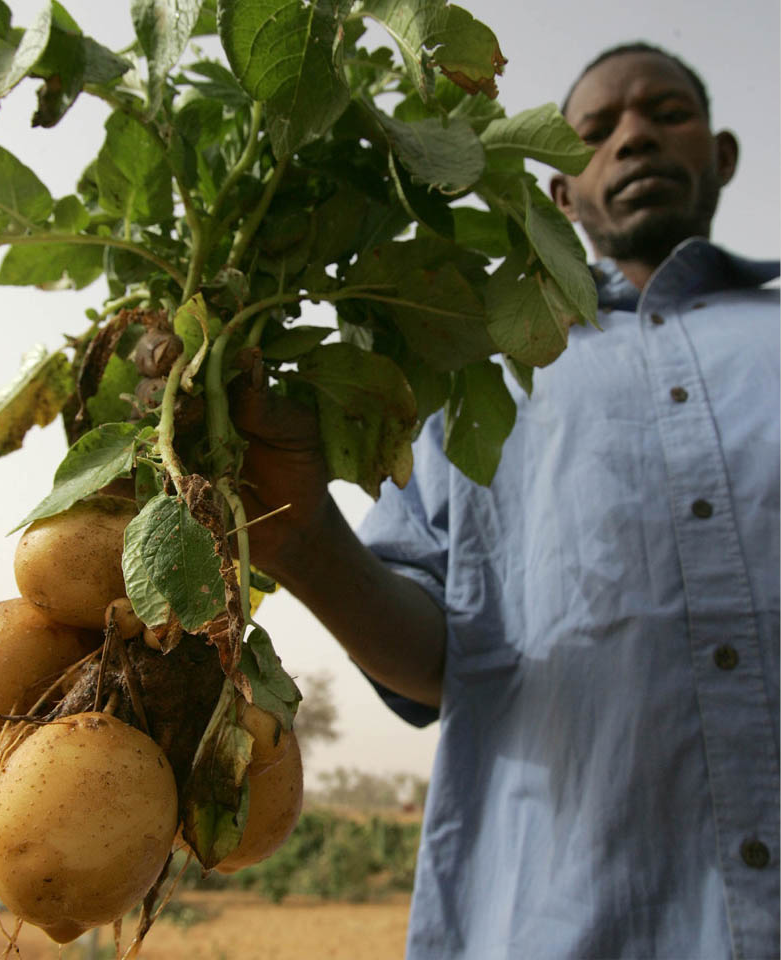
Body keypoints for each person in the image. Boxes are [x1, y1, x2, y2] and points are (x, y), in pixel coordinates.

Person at [232, 43, 779, 959]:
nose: (634, 136)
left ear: (721, 154)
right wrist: (300, 535)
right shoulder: (476, 376)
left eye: (667, 112)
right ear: (561, 196)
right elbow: (442, 659)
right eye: (595, 133)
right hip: (562, 924)